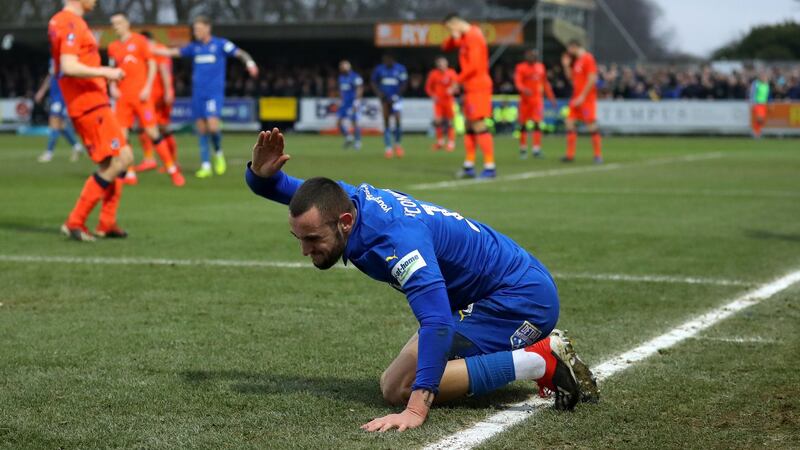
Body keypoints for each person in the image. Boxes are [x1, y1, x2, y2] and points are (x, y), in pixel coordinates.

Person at [245, 128, 599, 432]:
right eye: (299, 239)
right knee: (393, 382)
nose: (305, 250)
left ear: (346, 223)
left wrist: (415, 410)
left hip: (520, 298)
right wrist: (260, 176)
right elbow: (289, 191)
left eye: (312, 240)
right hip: (495, 289)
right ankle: (529, 357)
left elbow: (437, 322)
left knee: (401, 387)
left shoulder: (398, 242)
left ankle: (541, 360)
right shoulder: (345, 202)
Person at [49, 0, 133, 241]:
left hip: (91, 102)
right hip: (89, 104)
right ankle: (75, 221)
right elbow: (69, 65)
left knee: (118, 159)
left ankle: (106, 222)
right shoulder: (70, 22)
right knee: (121, 159)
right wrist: (106, 72)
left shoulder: (61, 21)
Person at [157, 16, 258, 178]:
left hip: (213, 93)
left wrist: (250, 63)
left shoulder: (220, 44)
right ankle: (205, 165)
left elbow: (240, 53)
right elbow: (172, 52)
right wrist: (151, 49)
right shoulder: (194, 47)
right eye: (194, 29)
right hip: (198, 93)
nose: (195, 32)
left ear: (207, 28)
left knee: (212, 127)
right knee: (201, 129)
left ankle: (218, 153)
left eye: (198, 29)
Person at [107, 12, 184, 187]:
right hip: (122, 98)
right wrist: (112, 87)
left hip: (141, 97)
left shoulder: (140, 41)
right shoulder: (113, 47)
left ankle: (172, 170)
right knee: (122, 136)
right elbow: (112, 69)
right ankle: (129, 172)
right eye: (113, 24)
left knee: (153, 132)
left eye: (118, 23)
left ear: (127, 23)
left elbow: (152, 63)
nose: (116, 26)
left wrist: (148, 87)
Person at [135, 30, 179, 173]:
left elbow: (164, 70)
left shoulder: (157, 50)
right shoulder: (156, 49)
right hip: (153, 96)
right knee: (151, 127)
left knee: (158, 128)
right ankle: (158, 160)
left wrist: (168, 91)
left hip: (158, 96)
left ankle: (163, 161)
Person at [33, 58, 83, 163]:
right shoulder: (53, 59)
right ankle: (77, 147)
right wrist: (42, 91)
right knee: (61, 125)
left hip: (61, 96)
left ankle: (49, 153)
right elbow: (50, 76)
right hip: (54, 95)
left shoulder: (65, 57)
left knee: (54, 123)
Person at [561, 39, 602, 163]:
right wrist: (566, 66)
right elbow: (571, 79)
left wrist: (583, 96)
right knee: (569, 122)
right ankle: (570, 155)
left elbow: (592, 79)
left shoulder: (588, 58)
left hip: (586, 99)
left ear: (574, 47)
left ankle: (598, 155)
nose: (568, 52)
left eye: (569, 49)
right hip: (576, 98)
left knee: (591, 126)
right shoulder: (577, 61)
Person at [514, 49, 557, 159]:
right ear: (526, 56)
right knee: (523, 124)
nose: (532, 57)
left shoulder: (540, 67)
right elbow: (518, 82)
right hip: (525, 101)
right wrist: (524, 89)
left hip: (537, 101)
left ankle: (536, 149)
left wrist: (551, 97)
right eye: (530, 55)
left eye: (534, 56)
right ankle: (523, 149)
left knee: (537, 123)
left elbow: (545, 83)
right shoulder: (521, 67)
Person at [371, 54, 407, 159]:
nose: (387, 62)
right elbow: (373, 82)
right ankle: (388, 148)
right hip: (384, 99)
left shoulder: (400, 68)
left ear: (393, 60)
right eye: (385, 60)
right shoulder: (379, 69)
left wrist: (397, 95)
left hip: (397, 99)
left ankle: (398, 145)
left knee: (398, 120)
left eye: (388, 60)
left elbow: (404, 83)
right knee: (386, 122)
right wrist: (379, 94)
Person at [424, 56, 457, 152]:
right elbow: (428, 87)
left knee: (450, 122)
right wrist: (432, 95)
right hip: (438, 102)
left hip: (449, 101)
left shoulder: (451, 72)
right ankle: (440, 142)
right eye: (439, 64)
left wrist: (452, 89)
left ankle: (451, 143)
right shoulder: (433, 74)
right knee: (438, 121)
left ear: (446, 64)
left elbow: (456, 84)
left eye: (443, 64)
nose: (441, 66)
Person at [337, 60, 363, 150]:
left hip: (352, 102)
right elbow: (341, 90)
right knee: (339, 122)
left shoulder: (355, 76)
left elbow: (359, 88)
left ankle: (358, 142)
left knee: (354, 122)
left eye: (343, 67)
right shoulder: (341, 78)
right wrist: (340, 100)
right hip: (345, 103)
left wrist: (357, 101)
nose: (342, 69)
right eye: (341, 67)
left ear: (348, 67)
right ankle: (348, 137)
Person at [749, 71, 770, 138]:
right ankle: (756, 132)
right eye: (763, 76)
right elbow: (752, 93)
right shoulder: (756, 84)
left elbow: (768, 95)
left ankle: (757, 132)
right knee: (759, 119)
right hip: (758, 104)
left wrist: (769, 102)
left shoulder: (767, 85)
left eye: (765, 77)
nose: (764, 78)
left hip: (764, 104)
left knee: (762, 120)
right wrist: (753, 103)